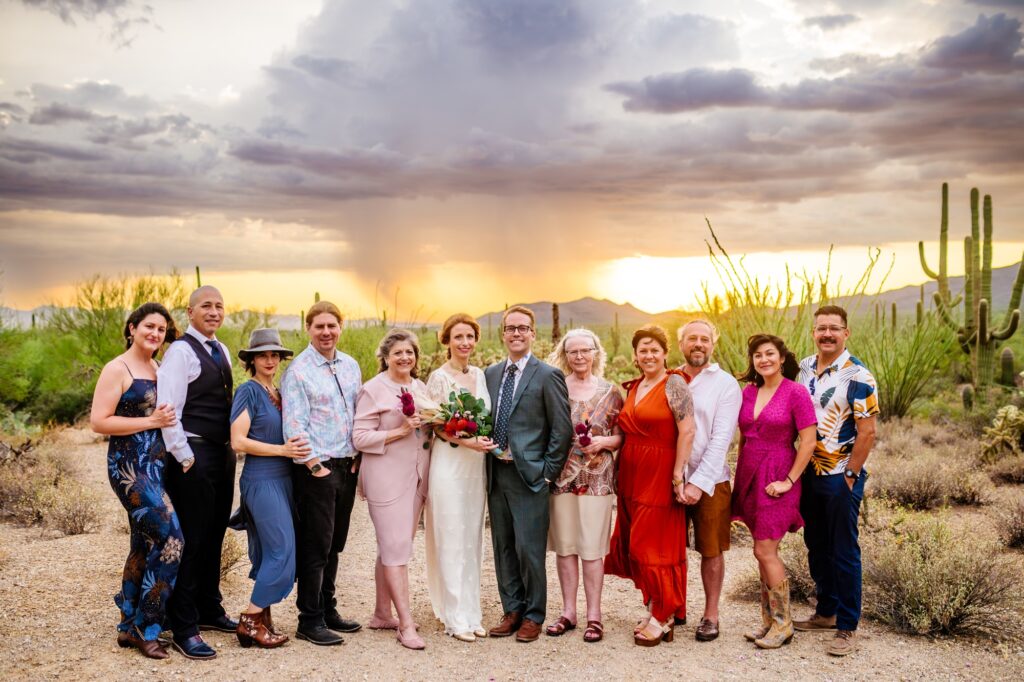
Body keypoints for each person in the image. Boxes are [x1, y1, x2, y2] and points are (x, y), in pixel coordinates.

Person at [90, 302, 182, 660]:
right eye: (149, 327)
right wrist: (151, 422)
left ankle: (129, 625)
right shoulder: (118, 368)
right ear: (131, 328)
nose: (155, 334)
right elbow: (99, 421)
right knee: (172, 538)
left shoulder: (159, 367)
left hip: (156, 465)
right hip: (129, 470)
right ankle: (149, 626)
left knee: (143, 544)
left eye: (161, 330)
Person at [484, 305, 572, 643]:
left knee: (530, 550)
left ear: (533, 334)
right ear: (503, 333)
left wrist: (547, 473)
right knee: (503, 546)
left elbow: (561, 430)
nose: (516, 334)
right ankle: (512, 610)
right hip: (496, 472)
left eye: (523, 328)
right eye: (510, 328)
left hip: (530, 476)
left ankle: (534, 614)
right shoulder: (490, 374)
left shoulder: (548, 375)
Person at [157, 286, 236, 660]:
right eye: (206, 305)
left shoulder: (221, 351)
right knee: (193, 539)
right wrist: (185, 457)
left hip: (222, 455)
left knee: (215, 534)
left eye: (219, 306)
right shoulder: (180, 353)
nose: (214, 311)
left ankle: (209, 608)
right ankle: (183, 625)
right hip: (194, 454)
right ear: (189, 312)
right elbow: (168, 408)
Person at [795, 305, 879, 657]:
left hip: (840, 476)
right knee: (816, 545)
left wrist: (850, 474)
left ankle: (847, 626)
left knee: (844, 550)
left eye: (834, 328)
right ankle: (826, 612)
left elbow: (868, 431)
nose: (826, 334)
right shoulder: (803, 368)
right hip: (807, 475)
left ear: (846, 333)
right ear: (813, 332)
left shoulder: (859, 376)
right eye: (821, 328)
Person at [606, 324, 695, 647]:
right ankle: (655, 607)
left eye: (654, 349)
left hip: (660, 473)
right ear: (635, 355)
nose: (648, 355)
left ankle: (665, 615)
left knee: (652, 546)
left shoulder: (674, 384)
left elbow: (687, 431)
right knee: (635, 545)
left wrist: (677, 474)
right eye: (642, 350)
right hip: (631, 473)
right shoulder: (635, 386)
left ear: (664, 353)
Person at [281, 300, 363, 646]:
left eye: (332, 326)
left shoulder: (351, 365)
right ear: (308, 329)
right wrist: (316, 468)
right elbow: (294, 427)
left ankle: (328, 609)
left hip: (348, 465)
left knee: (335, 543)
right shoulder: (298, 371)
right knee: (316, 544)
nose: (326, 332)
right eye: (319, 327)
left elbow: (358, 412)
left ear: (340, 327)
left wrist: (358, 454)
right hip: (318, 469)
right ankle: (309, 619)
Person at [731, 333, 817, 649]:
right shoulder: (749, 392)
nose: (764, 359)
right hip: (750, 474)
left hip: (778, 476)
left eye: (770, 354)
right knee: (759, 550)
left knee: (765, 550)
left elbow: (808, 441)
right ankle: (768, 622)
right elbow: (743, 437)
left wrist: (790, 481)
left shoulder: (795, 393)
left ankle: (783, 625)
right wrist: (739, 478)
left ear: (782, 358)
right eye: (757, 355)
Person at [229, 328, 310, 648]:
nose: (270, 360)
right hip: (261, 480)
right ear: (251, 360)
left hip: (285, 480)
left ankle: (263, 619)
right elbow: (238, 441)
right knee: (281, 551)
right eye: (262, 354)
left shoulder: (279, 392)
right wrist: (282, 451)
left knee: (271, 553)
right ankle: (249, 621)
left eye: (274, 354)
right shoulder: (248, 391)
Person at [542, 328, 623, 644]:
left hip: (596, 480)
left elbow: (622, 435)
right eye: (573, 351)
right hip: (561, 479)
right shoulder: (555, 388)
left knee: (591, 550)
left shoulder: (610, 391)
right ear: (565, 354)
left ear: (595, 352)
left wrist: (603, 440)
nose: (579, 357)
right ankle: (568, 612)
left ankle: (594, 615)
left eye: (585, 350)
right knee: (565, 547)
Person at [353, 328, 431, 650]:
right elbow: (359, 437)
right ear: (385, 357)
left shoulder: (420, 387)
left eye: (409, 352)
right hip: (386, 476)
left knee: (393, 546)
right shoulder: (372, 390)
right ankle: (406, 625)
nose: (405, 357)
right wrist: (398, 432)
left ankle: (382, 613)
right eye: (398, 352)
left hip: (416, 476)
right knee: (396, 548)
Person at [423, 314, 494, 643]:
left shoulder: (480, 375)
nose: (464, 342)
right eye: (458, 337)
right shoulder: (438, 377)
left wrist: (482, 443)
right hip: (450, 463)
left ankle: (472, 611)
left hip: (474, 467)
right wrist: (467, 441)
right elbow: (435, 424)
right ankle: (455, 617)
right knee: (451, 535)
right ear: (447, 340)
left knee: (472, 537)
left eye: (469, 336)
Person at [675, 319, 741, 642]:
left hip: (711, 479)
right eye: (691, 339)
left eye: (704, 339)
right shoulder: (670, 379)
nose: (698, 344)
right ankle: (672, 607)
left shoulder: (726, 385)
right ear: (681, 344)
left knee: (710, 549)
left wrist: (697, 483)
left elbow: (721, 440)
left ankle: (711, 615)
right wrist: (678, 480)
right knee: (669, 548)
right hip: (671, 477)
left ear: (712, 344)